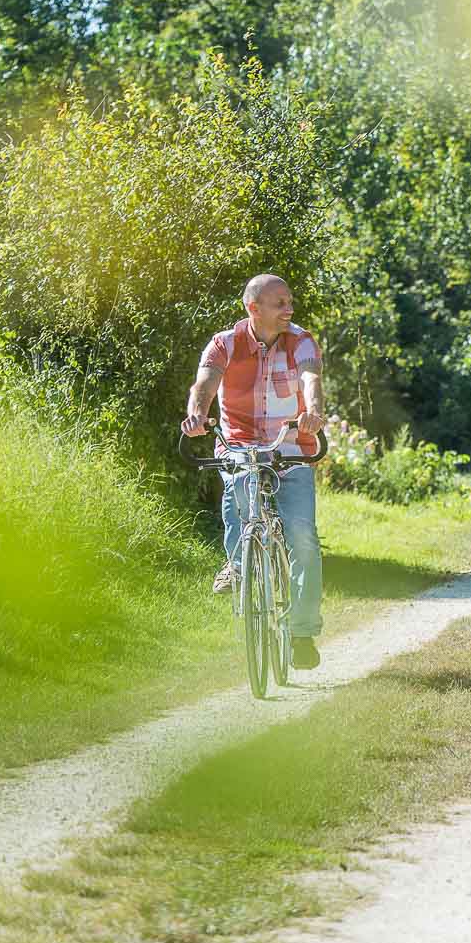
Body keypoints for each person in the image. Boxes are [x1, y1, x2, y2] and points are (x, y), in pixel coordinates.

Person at [182, 274, 328, 669]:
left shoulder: (301, 340)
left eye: (290, 301)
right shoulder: (224, 344)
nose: (289, 309)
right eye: (280, 303)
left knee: (301, 536)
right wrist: (197, 413)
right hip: (241, 445)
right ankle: (238, 561)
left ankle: (301, 631)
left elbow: (310, 377)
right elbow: (205, 384)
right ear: (254, 308)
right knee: (240, 490)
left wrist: (312, 411)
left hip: (290, 448)